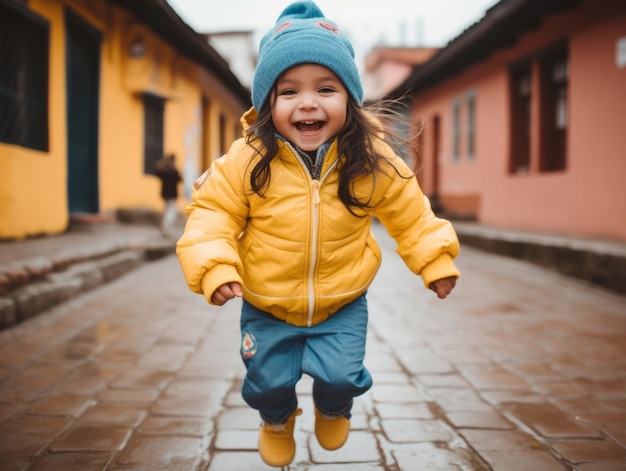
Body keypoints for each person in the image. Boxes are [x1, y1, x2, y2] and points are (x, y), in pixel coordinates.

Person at [176, 1, 460, 467]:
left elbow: (411, 212)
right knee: (268, 383)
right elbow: (211, 215)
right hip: (266, 303)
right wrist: (214, 266)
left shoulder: (372, 160)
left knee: (343, 376)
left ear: (349, 97)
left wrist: (434, 259)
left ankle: (334, 406)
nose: (308, 103)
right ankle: (277, 418)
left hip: (343, 300)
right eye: (289, 92)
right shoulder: (246, 161)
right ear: (268, 104)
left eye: (326, 88)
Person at [154, 153, 181, 237]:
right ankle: (165, 225)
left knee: (167, 209)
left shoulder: (164, 170)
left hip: (164, 193)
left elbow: (157, 173)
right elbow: (180, 179)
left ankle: (165, 226)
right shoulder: (174, 171)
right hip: (172, 194)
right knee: (172, 210)